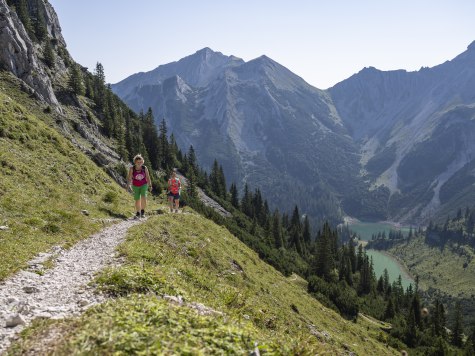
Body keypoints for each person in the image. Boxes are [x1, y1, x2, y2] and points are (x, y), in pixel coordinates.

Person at [127, 154, 152, 219]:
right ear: (135, 162)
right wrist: (129, 185)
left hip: (144, 184)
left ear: (142, 162)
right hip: (135, 185)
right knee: (137, 199)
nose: (139, 163)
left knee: (143, 197)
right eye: (138, 162)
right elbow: (129, 178)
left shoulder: (144, 168)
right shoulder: (132, 169)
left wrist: (150, 185)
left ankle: (142, 211)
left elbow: (148, 177)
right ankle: (138, 212)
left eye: (141, 162)